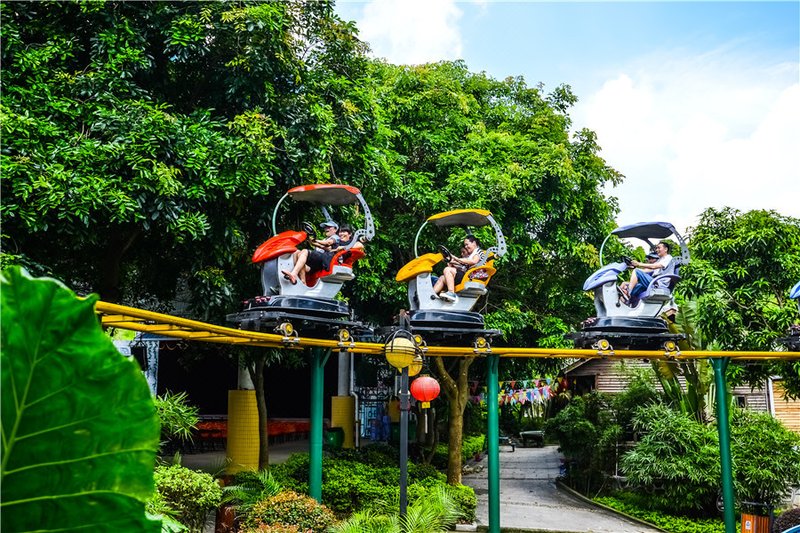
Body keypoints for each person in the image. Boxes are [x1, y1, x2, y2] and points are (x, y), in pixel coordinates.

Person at [282, 225, 363, 284]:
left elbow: (360, 245)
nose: (341, 234)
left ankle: (294, 274)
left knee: (305, 251)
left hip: (331, 261)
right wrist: (313, 241)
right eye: (340, 232)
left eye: (344, 232)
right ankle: (302, 282)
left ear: (350, 234)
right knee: (297, 253)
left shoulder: (352, 242)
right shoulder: (338, 242)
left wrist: (343, 248)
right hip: (325, 259)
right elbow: (327, 248)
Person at [433, 235, 486, 303]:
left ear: (474, 243)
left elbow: (474, 261)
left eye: (467, 244)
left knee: (447, 270)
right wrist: (451, 261)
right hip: (467, 276)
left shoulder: (478, 251)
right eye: (465, 245)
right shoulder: (471, 255)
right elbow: (463, 265)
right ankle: (432, 295)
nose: (466, 247)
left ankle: (451, 293)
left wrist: (457, 259)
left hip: (472, 277)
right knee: (442, 278)